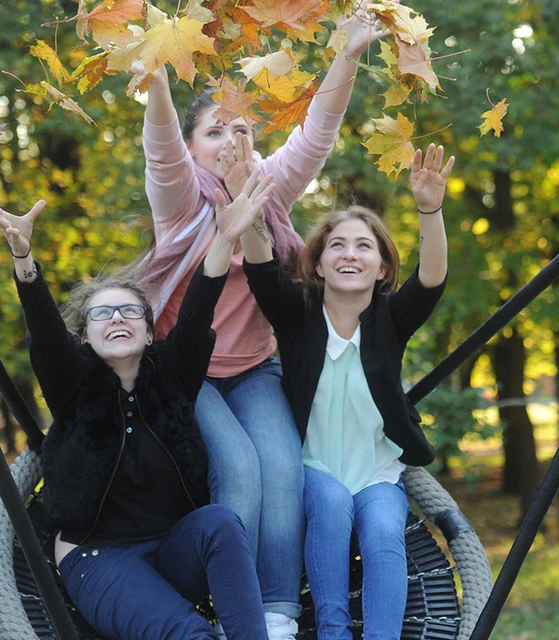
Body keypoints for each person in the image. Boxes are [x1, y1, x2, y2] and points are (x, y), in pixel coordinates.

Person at [128, 5, 391, 636]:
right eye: (214, 132)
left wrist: (347, 56)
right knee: (240, 470)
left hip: (252, 367)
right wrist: (158, 86)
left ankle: (276, 611)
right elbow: (161, 149)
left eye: (242, 129)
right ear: (194, 150)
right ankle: (229, 605)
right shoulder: (181, 199)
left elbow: (316, 135)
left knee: (282, 467)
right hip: (186, 370)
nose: (230, 141)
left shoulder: (270, 187)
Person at [0, 171, 277, 640]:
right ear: (84, 336)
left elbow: (198, 314)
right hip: (99, 558)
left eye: (130, 310)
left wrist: (224, 238)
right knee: (193, 636)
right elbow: (47, 336)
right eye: (102, 313)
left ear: (147, 327)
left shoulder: (172, 379)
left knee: (220, 521)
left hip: (171, 551)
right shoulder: (73, 386)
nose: (117, 317)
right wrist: (24, 258)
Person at [236, 144, 456, 640]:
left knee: (382, 532)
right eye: (337, 245)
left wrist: (430, 209)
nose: (349, 253)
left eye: (364, 246)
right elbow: (262, 267)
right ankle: (334, 632)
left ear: (381, 268)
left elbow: (432, 277)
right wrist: (243, 201)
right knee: (332, 505)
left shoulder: (390, 320)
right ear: (317, 265)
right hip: (313, 468)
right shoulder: (297, 317)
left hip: (378, 472)